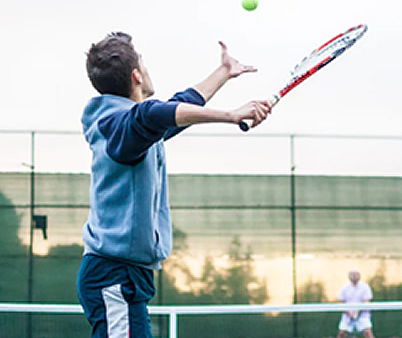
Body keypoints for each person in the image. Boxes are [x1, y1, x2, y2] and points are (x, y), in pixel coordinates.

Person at [76, 32, 271, 338]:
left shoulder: (132, 129)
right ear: (137, 75)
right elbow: (154, 114)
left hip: (125, 274)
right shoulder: (120, 127)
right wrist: (230, 115)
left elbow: (176, 108)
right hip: (113, 274)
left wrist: (223, 73)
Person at [337, 269, 375, 338]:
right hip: (347, 315)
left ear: (359, 276)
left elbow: (367, 301)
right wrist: (349, 314)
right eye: (352, 274)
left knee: (368, 333)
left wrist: (357, 312)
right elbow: (341, 302)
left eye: (356, 274)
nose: (354, 276)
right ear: (349, 276)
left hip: (363, 314)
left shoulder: (365, 287)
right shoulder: (344, 287)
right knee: (342, 334)